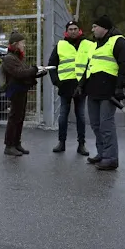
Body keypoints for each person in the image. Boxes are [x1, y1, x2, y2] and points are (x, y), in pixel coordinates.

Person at [75, 15, 125, 170]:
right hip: (93, 91)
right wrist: (81, 85)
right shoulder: (95, 44)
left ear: (104, 28)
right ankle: (102, 153)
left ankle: (111, 158)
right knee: (96, 125)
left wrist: (120, 87)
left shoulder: (118, 42)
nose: (92, 29)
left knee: (106, 125)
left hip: (108, 92)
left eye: (95, 27)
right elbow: (89, 66)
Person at [48, 20, 95, 155]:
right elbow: (52, 65)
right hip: (65, 85)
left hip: (82, 85)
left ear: (79, 30)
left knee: (80, 115)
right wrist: (56, 82)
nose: (73, 31)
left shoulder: (89, 44)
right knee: (63, 115)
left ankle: (81, 144)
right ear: (66, 31)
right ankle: (61, 142)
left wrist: (88, 83)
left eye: (75, 29)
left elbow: (92, 64)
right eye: (70, 29)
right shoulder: (60, 45)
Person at [1, 31, 47, 156]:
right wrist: (35, 69)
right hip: (15, 90)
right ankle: (9, 145)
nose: (24, 45)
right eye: (22, 43)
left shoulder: (16, 57)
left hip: (20, 89)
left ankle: (16, 143)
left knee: (19, 117)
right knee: (14, 117)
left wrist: (39, 72)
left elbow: (25, 72)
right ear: (15, 44)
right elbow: (19, 73)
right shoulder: (9, 58)